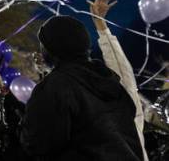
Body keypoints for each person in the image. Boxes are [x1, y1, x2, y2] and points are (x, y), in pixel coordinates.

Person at [21, 13, 144, 160]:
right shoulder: (112, 82)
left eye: (43, 44)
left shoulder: (56, 86)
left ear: (52, 48)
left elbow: (38, 143)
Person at [89, 0, 149, 160]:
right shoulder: (127, 113)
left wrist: (101, 25)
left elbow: (122, 71)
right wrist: (100, 25)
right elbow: (122, 72)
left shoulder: (127, 111)